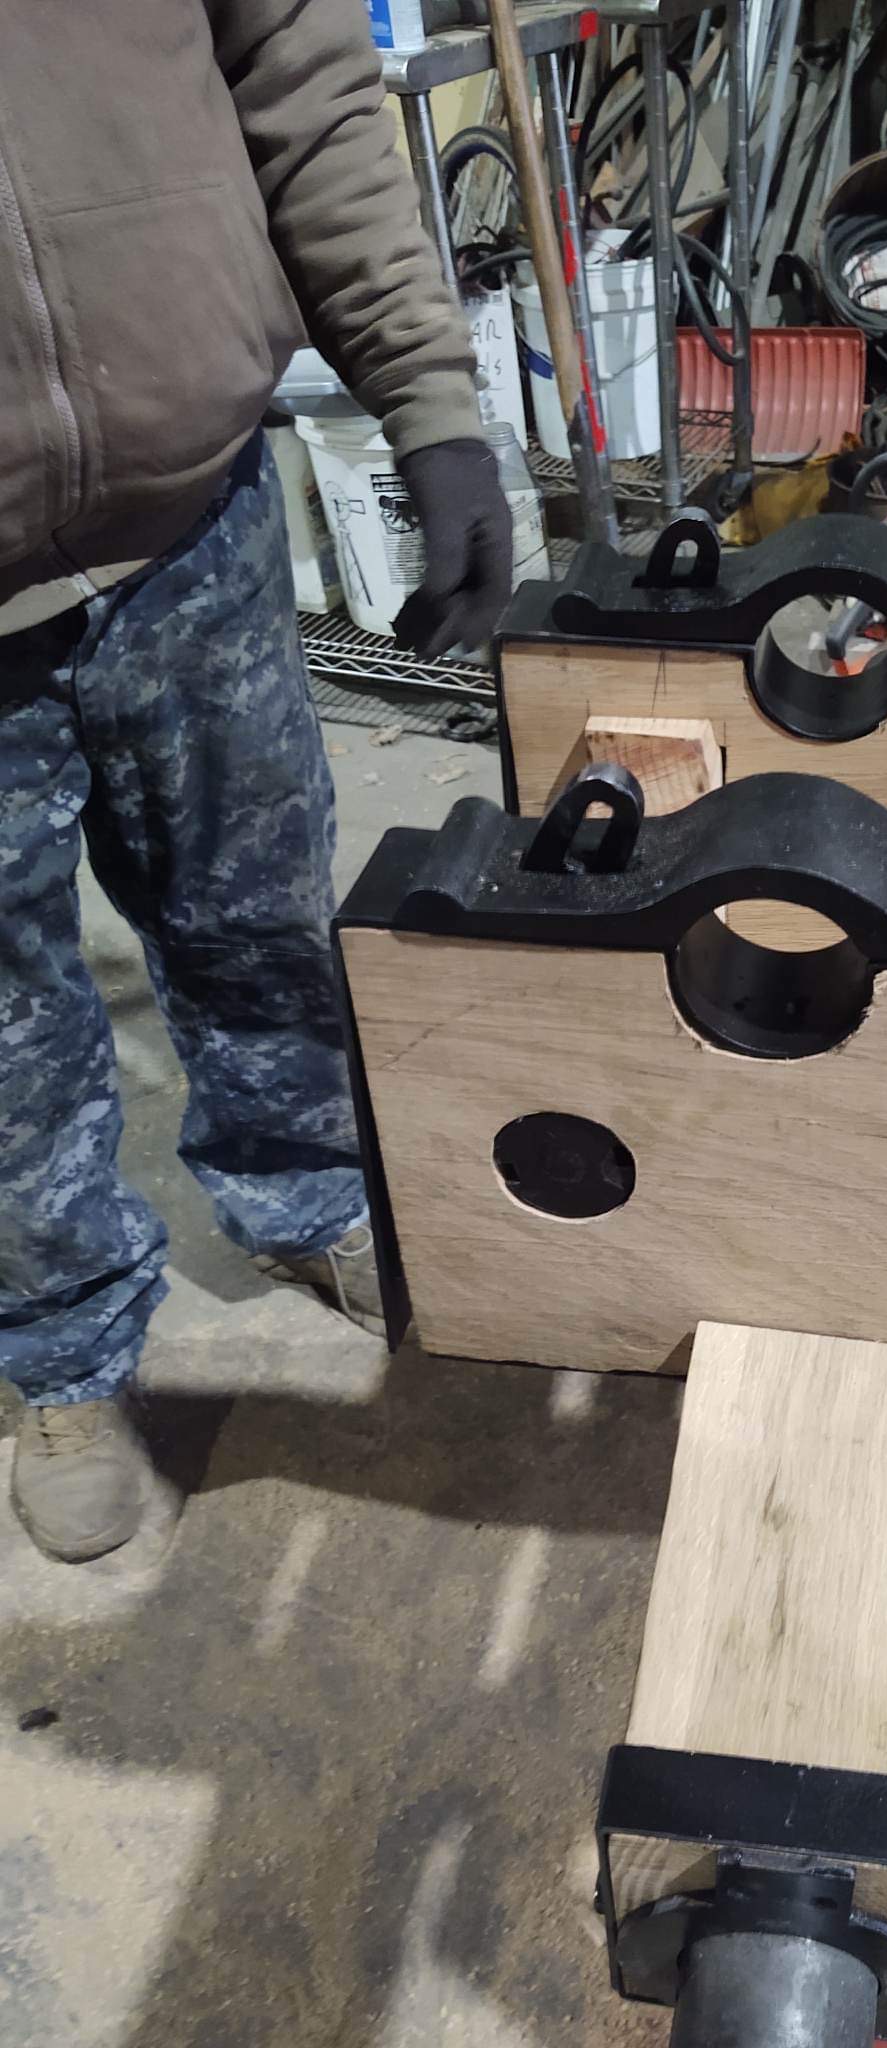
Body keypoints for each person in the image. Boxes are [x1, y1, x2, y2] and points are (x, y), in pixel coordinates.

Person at [0, 2, 513, 1562]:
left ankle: (304, 1192)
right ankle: (64, 1348)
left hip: (190, 523)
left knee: (263, 919)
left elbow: (304, 79)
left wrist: (428, 400)